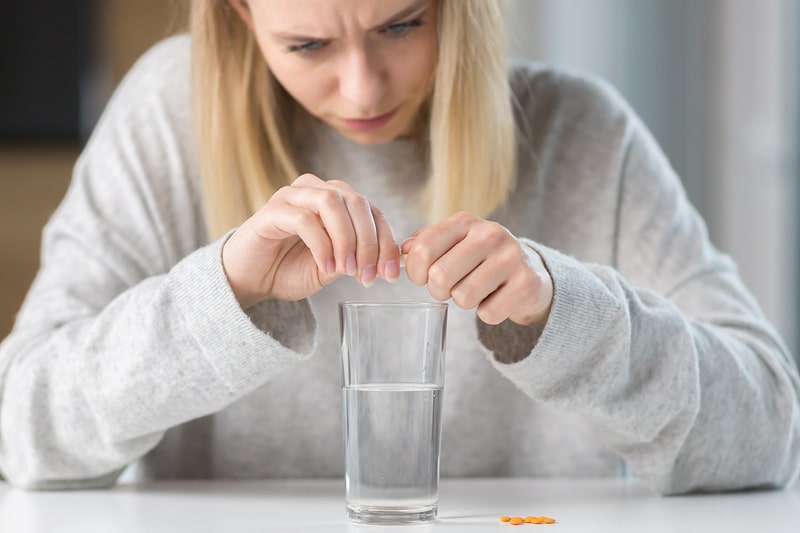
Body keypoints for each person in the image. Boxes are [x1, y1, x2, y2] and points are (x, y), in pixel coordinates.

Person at [0, 0, 798, 494]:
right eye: (308, 45)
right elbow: (22, 433)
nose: (363, 88)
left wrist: (567, 313)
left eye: (403, 24)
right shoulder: (166, 117)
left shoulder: (582, 130)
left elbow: (768, 429)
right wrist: (221, 295)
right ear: (241, 14)